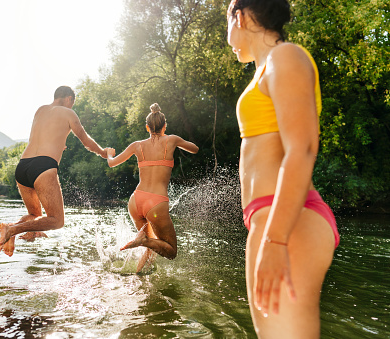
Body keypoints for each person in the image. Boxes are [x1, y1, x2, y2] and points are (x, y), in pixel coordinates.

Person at [226, 0, 340, 337]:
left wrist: (276, 239)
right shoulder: (266, 68)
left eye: (227, 25)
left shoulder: (285, 56)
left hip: (288, 221)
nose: (228, 37)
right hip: (270, 219)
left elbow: (302, 147)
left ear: (241, 17)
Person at [0, 86, 109, 257]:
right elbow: (86, 141)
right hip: (43, 167)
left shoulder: (40, 110)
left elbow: (43, 137)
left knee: (35, 216)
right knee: (56, 221)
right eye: (72, 103)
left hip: (23, 166)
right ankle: (12, 230)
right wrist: (103, 152)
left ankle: (10, 229)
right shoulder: (69, 113)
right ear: (70, 99)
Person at [106, 103, 198, 272]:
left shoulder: (137, 145)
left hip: (136, 201)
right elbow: (195, 149)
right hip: (156, 202)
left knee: (152, 246)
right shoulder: (172, 140)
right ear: (165, 125)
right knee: (170, 251)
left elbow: (112, 163)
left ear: (147, 127)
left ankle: (138, 275)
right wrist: (178, 142)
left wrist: (109, 153)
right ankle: (144, 241)